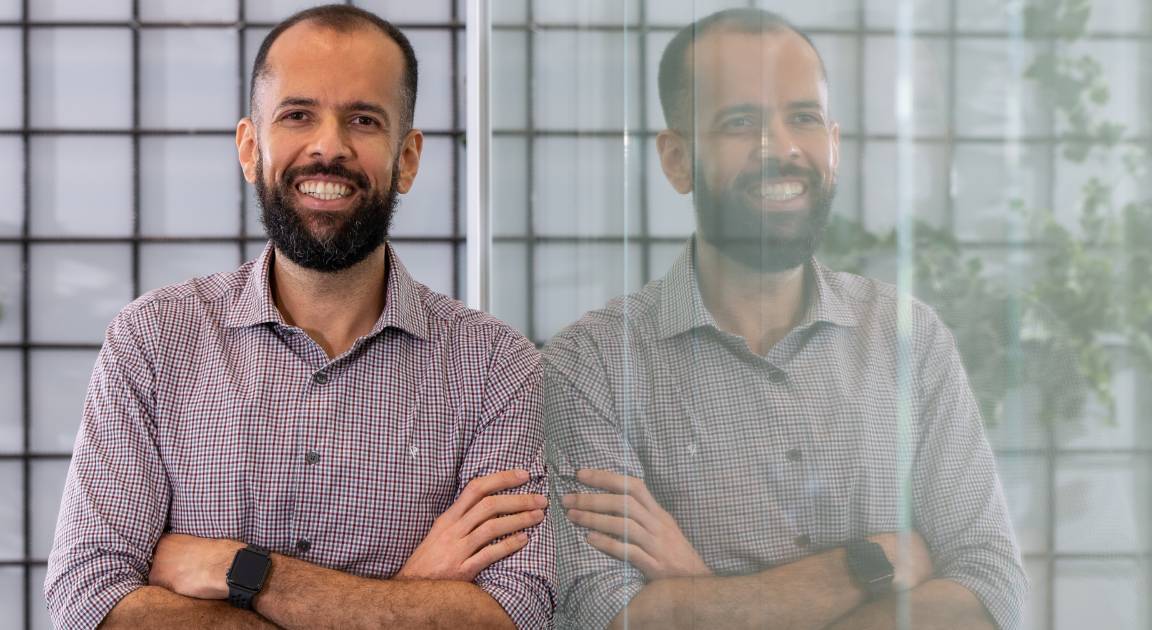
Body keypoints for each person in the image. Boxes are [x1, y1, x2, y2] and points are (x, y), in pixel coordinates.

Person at [44, 5, 552, 629]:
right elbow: (88, 599)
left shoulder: (496, 366)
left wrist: (243, 571)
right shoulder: (153, 339)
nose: (328, 147)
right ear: (250, 147)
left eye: (363, 120)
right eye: (297, 115)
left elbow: (517, 611)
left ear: (407, 158)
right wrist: (404, 598)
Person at [543, 8, 1027, 630]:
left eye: (803, 117)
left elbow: (991, 586)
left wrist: (700, 592)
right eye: (740, 122)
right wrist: (867, 565)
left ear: (834, 144)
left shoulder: (910, 338)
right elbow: (605, 614)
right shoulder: (592, 365)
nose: (782, 148)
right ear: (677, 160)